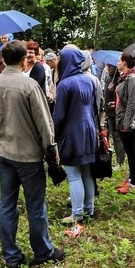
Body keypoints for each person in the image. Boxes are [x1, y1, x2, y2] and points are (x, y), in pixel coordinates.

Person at [0, 40, 65, 268]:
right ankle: (43, 251)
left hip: (3, 153)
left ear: (2, 59)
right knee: (36, 205)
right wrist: (51, 149)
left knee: (7, 204)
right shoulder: (29, 87)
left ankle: (11, 255)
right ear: (24, 59)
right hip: (29, 157)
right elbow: (44, 123)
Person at [52, 47, 98, 236]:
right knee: (86, 172)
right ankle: (89, 209)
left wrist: (54, 134)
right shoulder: (89, 81)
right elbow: (95, 107)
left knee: (73, 174)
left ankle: (77, 213)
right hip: (89, 131)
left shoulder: (65, 84)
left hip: (72, 133)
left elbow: (60, 115)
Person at [115, 53, 135, 194]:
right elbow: (125, 99)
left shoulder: (133, 78)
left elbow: (132, 104)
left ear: (125, 62)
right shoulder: (124, 77)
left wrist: (126, 124)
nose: (117, 63)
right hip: (122, 118)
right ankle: (130, 178)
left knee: (132, 152)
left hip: (127, 122)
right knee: (129, 151)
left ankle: (134, 182)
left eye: (119, 60)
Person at [101, 63, 126, 169]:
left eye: (110, 66)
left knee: (117, 137)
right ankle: (117, 160)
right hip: (109, 112)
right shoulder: (109, 78)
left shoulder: (120, 80)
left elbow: (123, 97)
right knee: (112, 137)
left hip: (117, 113)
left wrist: (115, 101)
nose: (108, 68)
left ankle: (121, 161)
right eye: (107, 66)